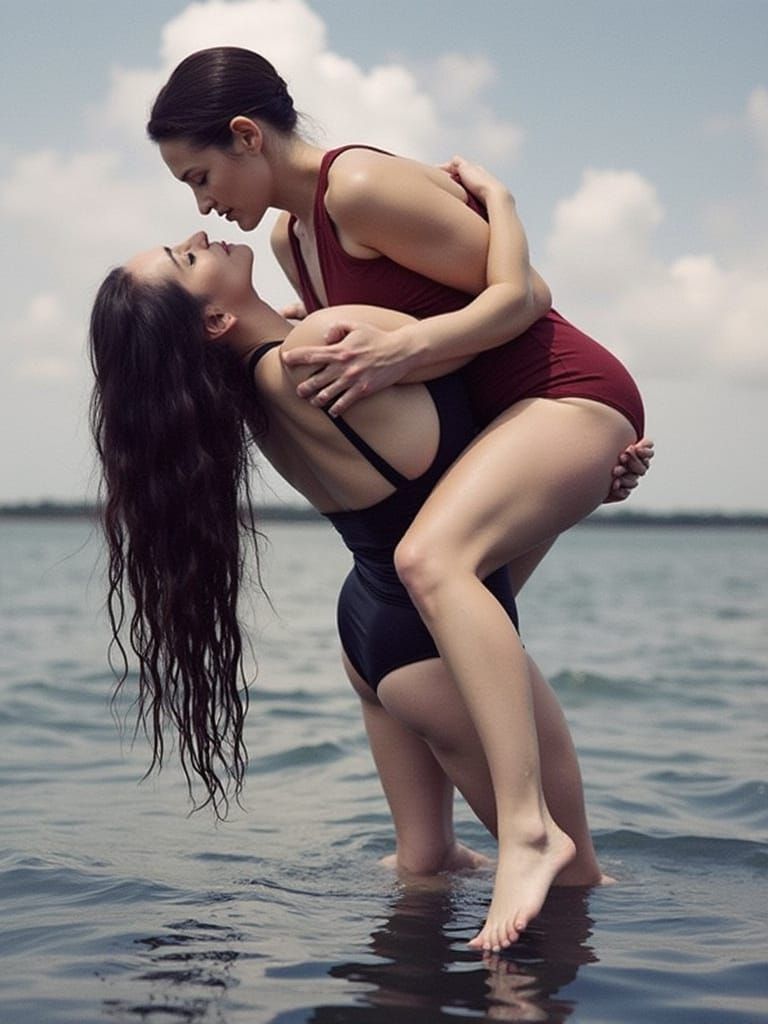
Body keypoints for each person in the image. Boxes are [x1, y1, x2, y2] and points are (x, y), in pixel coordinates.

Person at [147, 47, 653, 951]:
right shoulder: (288, 241)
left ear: (245, 135)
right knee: (435, 563)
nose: (201, 204)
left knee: (431, 561)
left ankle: (526, 833)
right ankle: (521, 854)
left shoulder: (360, 188)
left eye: (200, 175)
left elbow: (528, 297)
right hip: (504, 439)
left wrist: (417, 338)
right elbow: (392, 420)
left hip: (564, 391)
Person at [90, 214, 604, 957]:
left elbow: (446, 504)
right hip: (430, 643)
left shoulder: (256, 390)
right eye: (184, 257)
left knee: (426, 869)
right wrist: (500, 202)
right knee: (574, 888)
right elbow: (514, 303)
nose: (198, 232)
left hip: (373, 634)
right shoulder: (322, 348)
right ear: (214, 317)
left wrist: (576, 482)